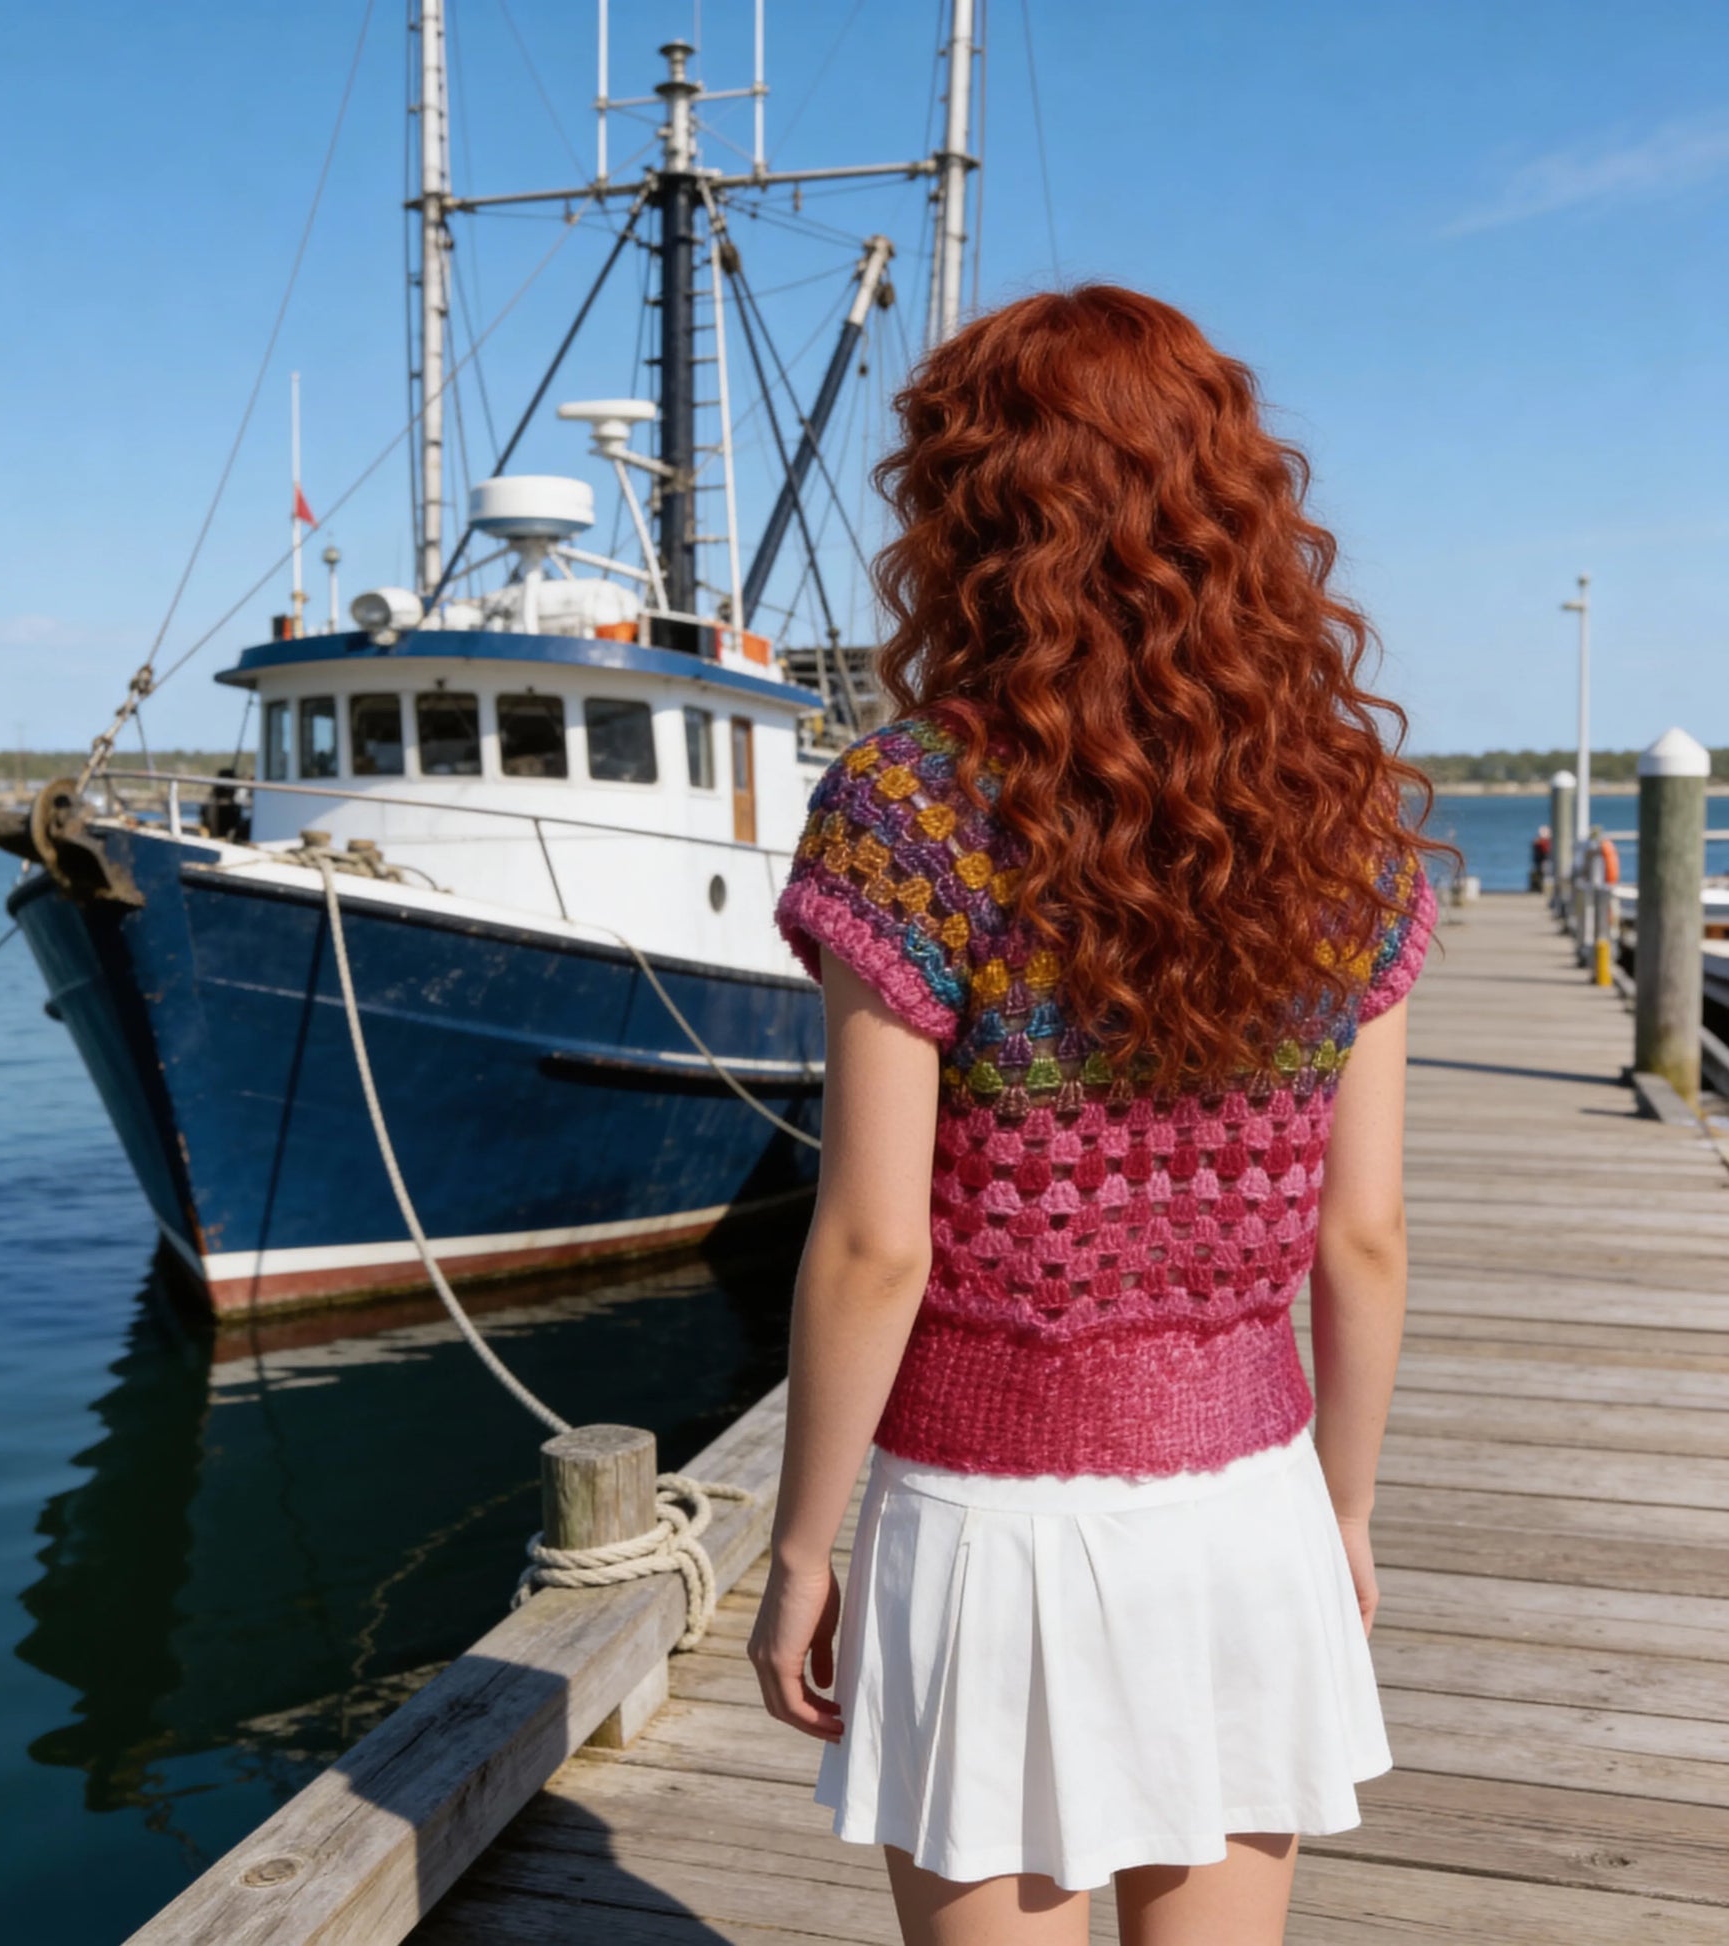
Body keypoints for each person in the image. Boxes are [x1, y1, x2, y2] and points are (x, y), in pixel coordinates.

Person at [749, 285, 1447, 1946]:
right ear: (1227, 506)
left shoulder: (910, 806)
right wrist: (1336, 1512)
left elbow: (869, 1245)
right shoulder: (1342, 819)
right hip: (1251, 1499)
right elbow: (1365, 1236)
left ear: (967, 515)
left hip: (988, 1522)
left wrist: (795, 1549)